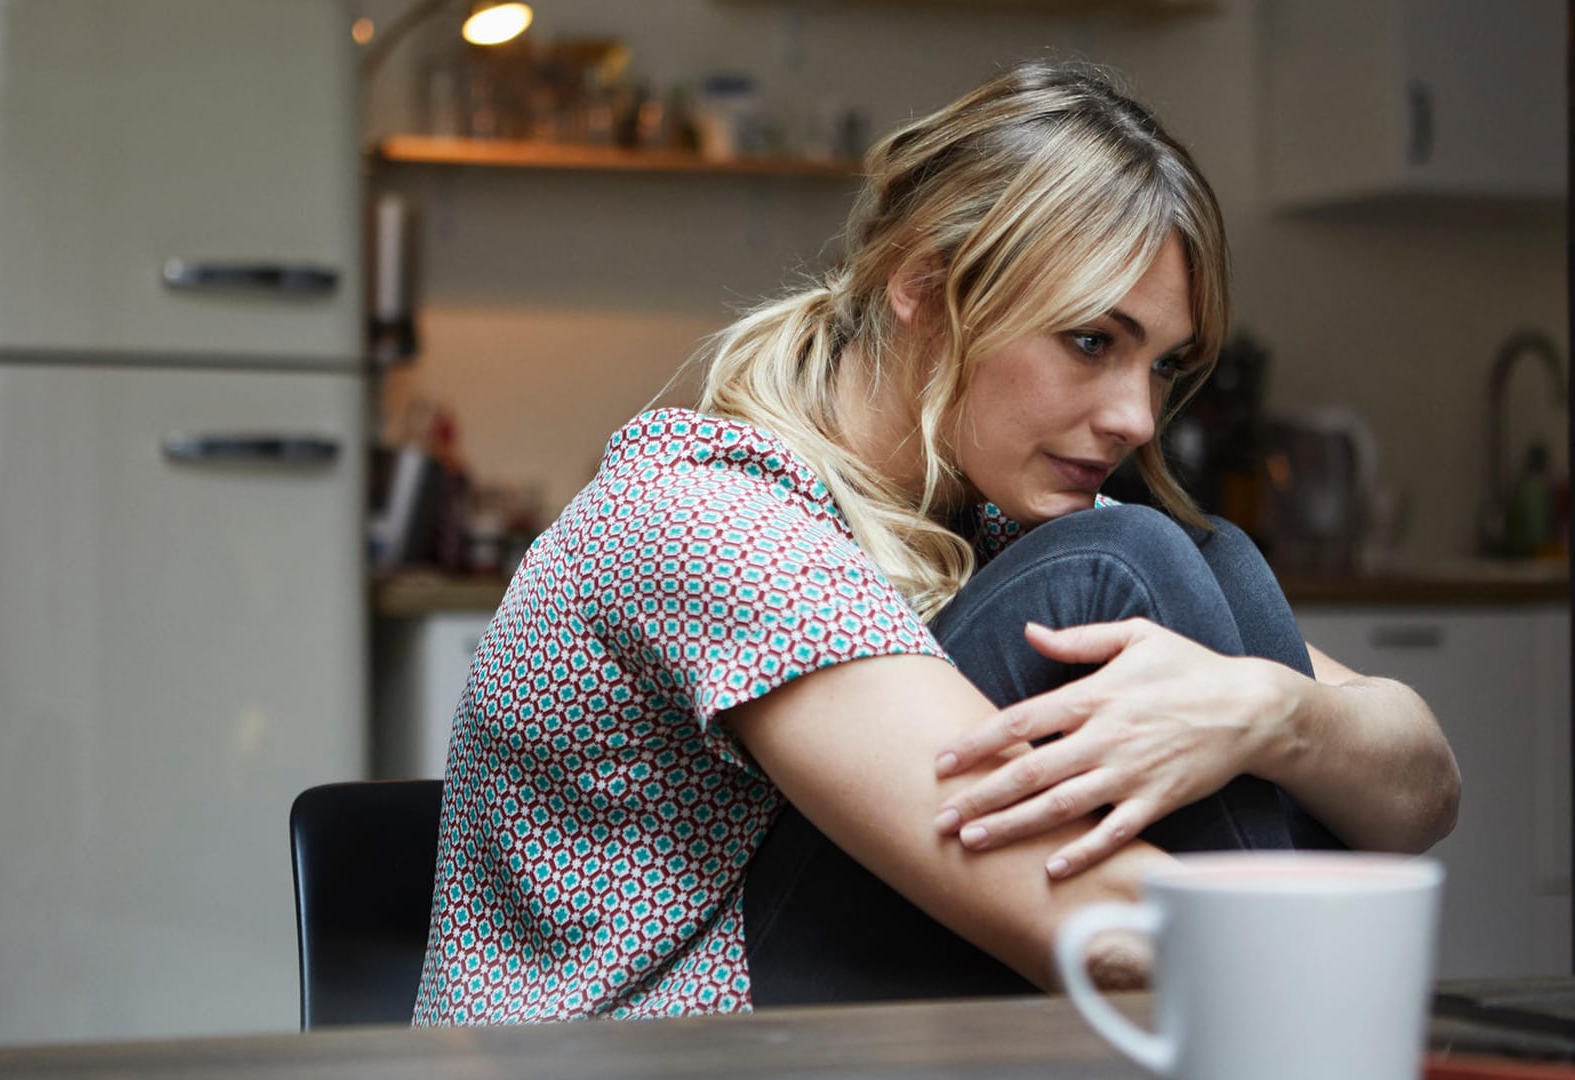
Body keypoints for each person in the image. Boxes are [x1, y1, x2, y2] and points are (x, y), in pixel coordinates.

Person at [413, 59, 1460, 1026]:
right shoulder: (708, 519)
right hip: (653, 1051)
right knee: (1129, 560)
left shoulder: (996, 509)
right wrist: (1334, 953)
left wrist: (1274, 714)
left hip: (832, 1032)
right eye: (1091, 342)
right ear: (923, 284)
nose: (1138, 417)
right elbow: (1098, 932)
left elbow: (1426, 789)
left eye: (1161, 364)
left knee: (1208, 554)